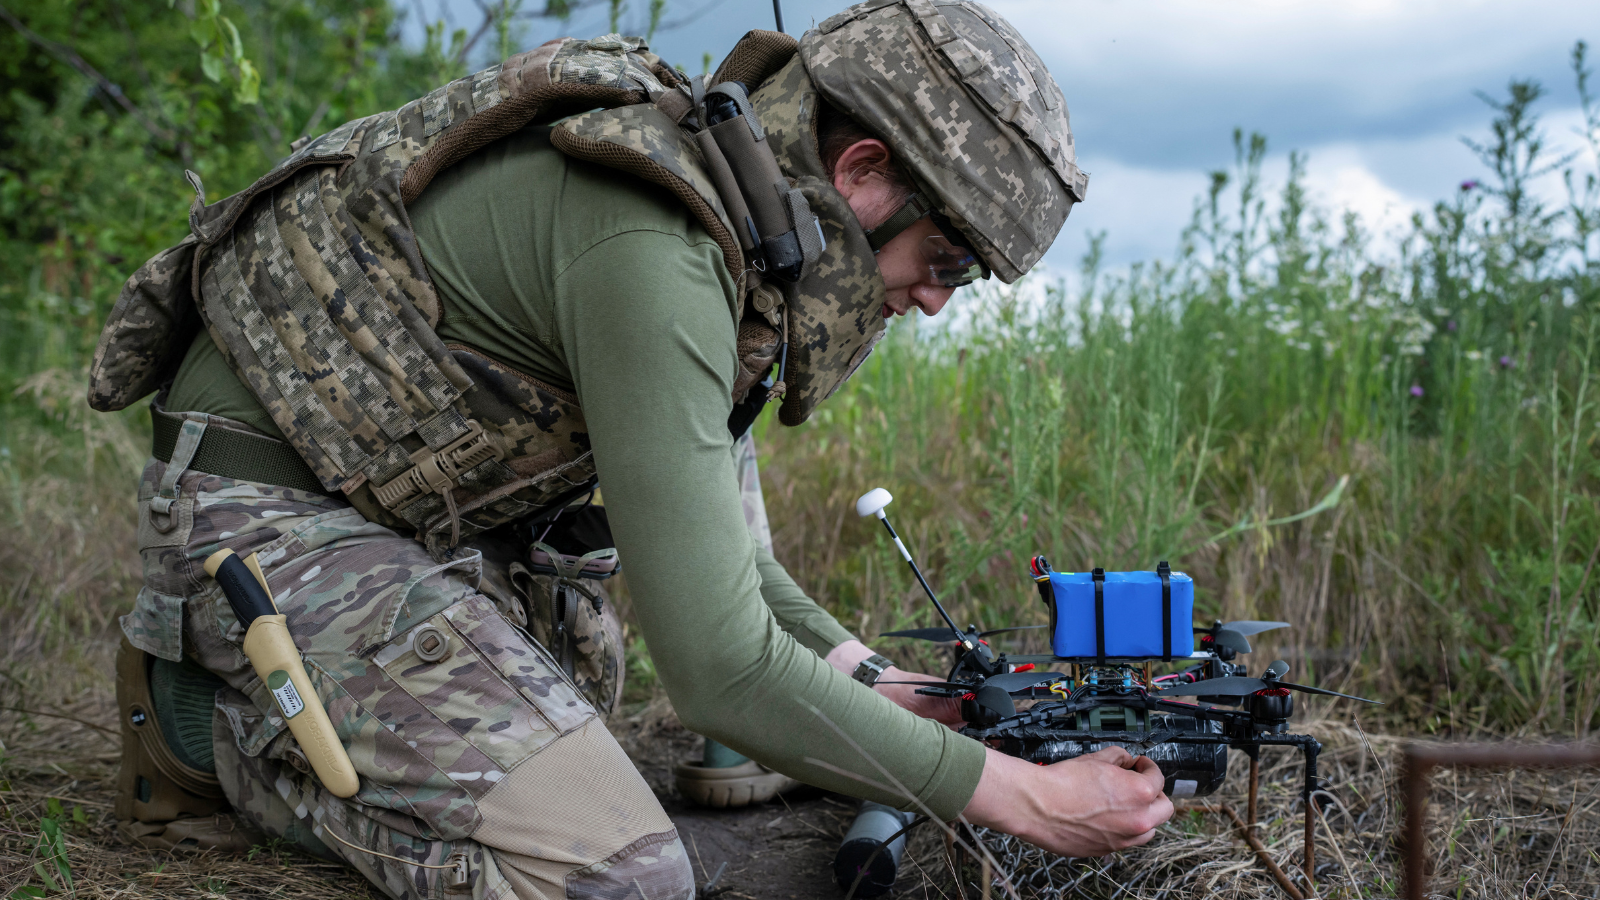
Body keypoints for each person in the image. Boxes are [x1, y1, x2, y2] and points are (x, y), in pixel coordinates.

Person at [88, 2, 1173, 898]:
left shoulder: (738, 238)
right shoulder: (655, 247)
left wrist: (892, 688)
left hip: (398, 510)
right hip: (262, 517)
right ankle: (221, 739)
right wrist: (1023, 795)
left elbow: (734, 575)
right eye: (946, 258)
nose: (935, 300)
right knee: (623, 875)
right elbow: (719, 670)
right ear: (861, 171)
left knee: (604, 679)